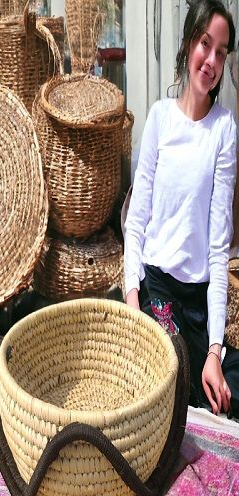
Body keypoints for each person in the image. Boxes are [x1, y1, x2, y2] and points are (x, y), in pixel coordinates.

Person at [124, 0, 239, 418]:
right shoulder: (159, 119)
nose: (210, 60)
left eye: (221, 52)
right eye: (204, 44)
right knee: (166, 386)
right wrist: (133, 302)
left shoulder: (224, 129)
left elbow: (217, 249)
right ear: (189, 42)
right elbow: (135, 225)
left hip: (197, 302)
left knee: (226, 388)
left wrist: (214, 349)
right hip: (156, 292)